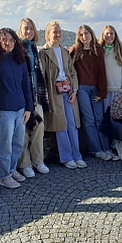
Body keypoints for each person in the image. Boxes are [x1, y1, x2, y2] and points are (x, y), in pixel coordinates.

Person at [0, 28, 33, 190]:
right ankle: (4, 176)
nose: (8, 43)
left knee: (18, 143)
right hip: (4, 111)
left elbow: (27, 85)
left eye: (11, 40)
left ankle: (11, 170)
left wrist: (29, 108)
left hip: (20, 109)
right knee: (4, 145)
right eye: (4, 40)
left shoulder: (20, 60)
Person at [39, 21, 85, 169]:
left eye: (59, 32)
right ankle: (66, 157)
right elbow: (43, 77)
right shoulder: (44, 53)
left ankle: (77, 155)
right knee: (61, 126)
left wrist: (75, 90)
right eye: (54, 32)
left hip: (68, 90)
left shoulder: (65, 52)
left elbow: (72, 72)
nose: (57, 34)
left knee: (72, 124)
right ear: (48, 34)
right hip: (54, 93)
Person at [70, 25, 115, 161]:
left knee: (100, 119)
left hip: (95, 89)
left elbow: (102, 71)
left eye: (87, 34)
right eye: (82, 34)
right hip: (82, 88)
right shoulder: (75, 51)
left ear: (91, 34)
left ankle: (105, 148)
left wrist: (102, 92)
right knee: (89, 120)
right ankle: (95, 149)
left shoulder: (97, 50)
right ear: (79, 37)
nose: (85, 37)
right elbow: (69, 70)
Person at [17, 17, 50, 177]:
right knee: (23, 132)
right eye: (26, 28)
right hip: (23, 98)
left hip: (37, 95)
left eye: (31, 28)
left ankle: (38, 160)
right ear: (20, 30)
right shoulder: (17, 49)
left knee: (39, 129)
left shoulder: (34, 48)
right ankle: (25, 164)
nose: (29, 31)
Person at [99, 24, 122, 111]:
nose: (109, 36)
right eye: (107, 33)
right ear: (103, 35)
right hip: (103, 89)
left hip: (117, 89)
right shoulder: (99, 51)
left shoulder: (121, 52)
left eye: (111, 33)